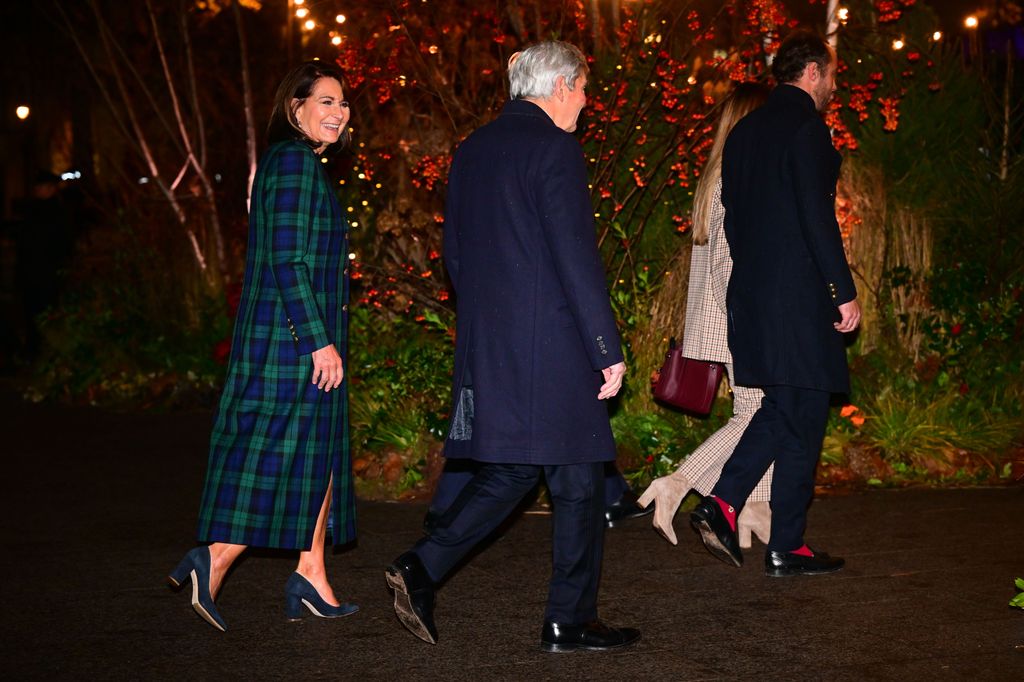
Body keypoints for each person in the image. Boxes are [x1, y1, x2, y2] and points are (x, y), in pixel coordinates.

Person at [385, 40, 641, 653]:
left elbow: (454, 255)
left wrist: (490, 320)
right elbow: (575, 259)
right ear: (557, 88)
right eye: (582, 89)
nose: (585, 102)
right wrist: (605, 345)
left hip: (494, 341)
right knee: (574, 476)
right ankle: (568, 620)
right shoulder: (554, 149)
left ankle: (424, 568)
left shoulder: (473, 150)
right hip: (553, 345)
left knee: (522, 471)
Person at [168, 61, 358, 631]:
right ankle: (216, 557)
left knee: (313, 454)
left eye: (343, 104)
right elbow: (287, 260)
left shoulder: (288, 164)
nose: (339, 112)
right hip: (293, 344)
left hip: (285, 338)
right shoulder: (297, 164)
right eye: (325, 101)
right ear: (295, 108)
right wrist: (318, 341)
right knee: (278, 454)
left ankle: (311, 574)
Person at [688, 30, 861, 577]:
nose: (833, 84)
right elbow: (818, 217)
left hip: (754, 295)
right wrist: (843, 289)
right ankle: (728, 506)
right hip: (797, 299)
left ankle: (784, 542)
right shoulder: (806, 128)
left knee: (797, 412)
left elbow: (736, 224)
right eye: (830, 74)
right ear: (812, 72)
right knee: (795, 410)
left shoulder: (742, 134)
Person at [638, 83, 773, 548]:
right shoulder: (736, 177)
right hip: (736, 317)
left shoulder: (717, 174)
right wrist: (750, 316)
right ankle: (676, 483)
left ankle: (755, 507)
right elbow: (727, 262)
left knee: (757, 412)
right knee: (759, 415)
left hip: (723, 315)